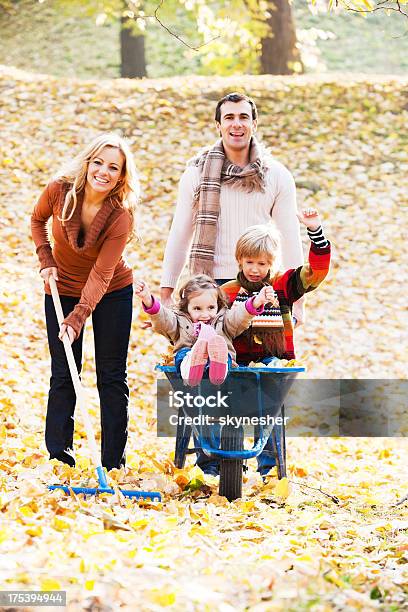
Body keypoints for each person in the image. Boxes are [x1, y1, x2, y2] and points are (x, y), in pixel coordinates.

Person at [31, 133, 139, 470]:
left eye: (113, 167)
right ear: (87, 162)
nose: (103, 172)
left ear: (121, 176)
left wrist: (78, 316)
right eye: (98, 162)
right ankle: (59, 457)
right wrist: (45, 258)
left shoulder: (121, 217)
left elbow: (102, 273)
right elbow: (37, 220)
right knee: (64, 371)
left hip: (111, 292)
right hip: (60, 287)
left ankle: (112, 464)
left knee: (111, 375)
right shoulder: (59, 190)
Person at [160, 91, 305, 324]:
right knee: (208, 359)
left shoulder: (276, 175)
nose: (236, 124)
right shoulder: (196, 173)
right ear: (218, 125)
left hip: (258, 286)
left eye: (243, 117)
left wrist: (298, 301)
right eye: (229, 118)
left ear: (254, 124)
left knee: (262, 360)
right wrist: (166, 294)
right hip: (208, 289)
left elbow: (290, 238)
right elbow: (179, 235)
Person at [221, 207, 331, 476]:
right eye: (249, 262)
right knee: (226, 404)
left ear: (271, 263)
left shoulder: (283, 285)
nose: (255, 269)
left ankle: (268, 468)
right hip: (236, 363)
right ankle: (229, 464)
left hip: (272, 360)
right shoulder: (227, 292)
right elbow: (210, 320)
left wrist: (315, 232)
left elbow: (315, 273)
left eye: (262, 263)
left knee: (268, 406)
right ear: (239, 260)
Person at [134, 274, 275, 387]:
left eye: (211, 308)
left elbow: (239, 316)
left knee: (224, 355)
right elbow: (164, 318)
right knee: (183, 355)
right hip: (188, 357)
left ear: (217, 305)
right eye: (197, 308)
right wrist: (147, 299)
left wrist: (257, 301)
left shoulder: (223, 320)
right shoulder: (179, 321)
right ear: (186, 308)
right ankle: (192, 368)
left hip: (218, 360)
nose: (205, 314)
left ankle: (219, 369)